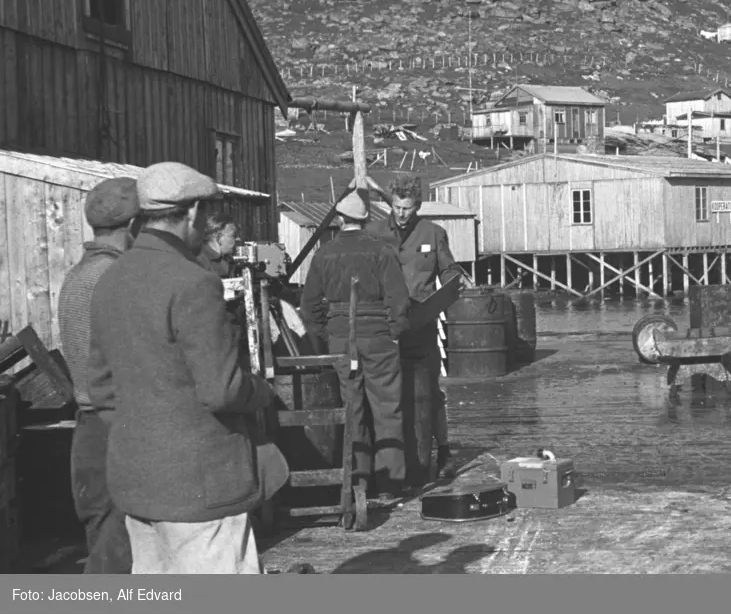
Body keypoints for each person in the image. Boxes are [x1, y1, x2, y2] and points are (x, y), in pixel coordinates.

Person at [89, 162, 280, 574]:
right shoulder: (194, 282)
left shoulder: (110, 279)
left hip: (137, 481)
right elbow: (221, 389)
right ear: (192, 213)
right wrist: (262, 391)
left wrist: (145, 438)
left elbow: (100, 389)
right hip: (201, 485)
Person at [302, 191, 413, 502]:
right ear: (366, 220)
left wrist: (328, 333)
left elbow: (309, 306)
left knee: (353, 410)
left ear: (339, 219)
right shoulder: (382, 251)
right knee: (387, 409)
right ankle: (390, 484)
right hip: (378, 336)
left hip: (341, 338)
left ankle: (358, 483)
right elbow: (399, 300)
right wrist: (393, 331)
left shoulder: (324, 254)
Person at [59, 177, 139, 574]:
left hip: (89, 427)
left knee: (104, 539)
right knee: (118, 551)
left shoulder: (77, 276)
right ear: (136, 226)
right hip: (118, 426)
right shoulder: (116, 278)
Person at [369, 175, 466, 486]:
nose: (401, 214)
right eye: (396, 207)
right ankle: (390, 462)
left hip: (422, 324)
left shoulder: (434, 234)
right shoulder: (374, 234)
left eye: (407, 208)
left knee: (430, 393)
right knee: (387, 394)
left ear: (418, 206)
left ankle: (444, 452)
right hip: (385, 327)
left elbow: (448, 269)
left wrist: (453, 283)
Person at [197, 213, 240, 277]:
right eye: (233, 235)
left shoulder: (229, 260)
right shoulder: (200, 261)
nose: (238, 239)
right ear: (218, 237)